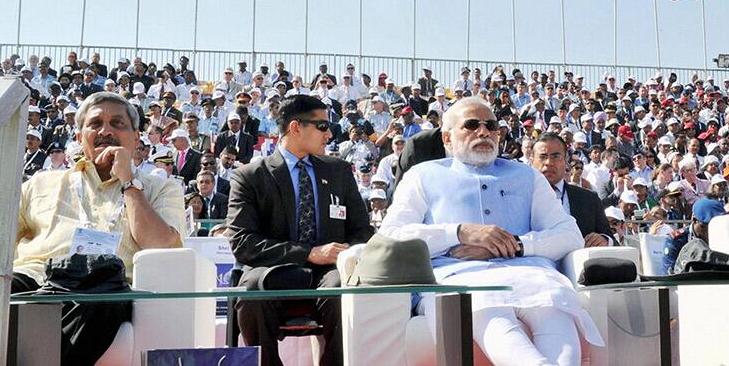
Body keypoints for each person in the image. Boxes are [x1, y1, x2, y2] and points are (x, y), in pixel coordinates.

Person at [379, 98, 603, 366]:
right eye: (472, 125)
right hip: (460, 279)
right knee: (492, 315)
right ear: (448, 138)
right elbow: (391, 233)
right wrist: (460, 233)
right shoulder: (422, 175)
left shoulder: (527, 176)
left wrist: (516, 245)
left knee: (555, 309)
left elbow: (569, 234)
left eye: (491, 125)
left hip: (533, 276)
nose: (484, 132)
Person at [14, 92, 184, 365]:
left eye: (117, 123)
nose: (105, 131)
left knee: (101, 300)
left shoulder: (161, 188)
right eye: (95, 124)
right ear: (80, 137)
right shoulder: (40, 183)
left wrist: (128, 180)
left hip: (105, 286)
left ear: (136, 137)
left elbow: (160, 245)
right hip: (38, 279)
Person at [227, 95, 374, 366]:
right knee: (251, 290)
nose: (329, 134)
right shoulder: (250, 176)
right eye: (322, 127)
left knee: (346, 288)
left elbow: (362, 232)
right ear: (295, 128)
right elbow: (242, 242)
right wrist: (308, 253)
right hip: (273, 269)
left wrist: (344, 254)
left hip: (331, 271)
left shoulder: (339, 171)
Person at [530, 132, 616, 247]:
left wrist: (605, 240)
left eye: (556, 156)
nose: (549, 163)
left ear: (565, 160)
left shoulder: (589, 199)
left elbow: (612, 240)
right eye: (543, 156)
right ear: (531, 161)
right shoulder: (518, 198)